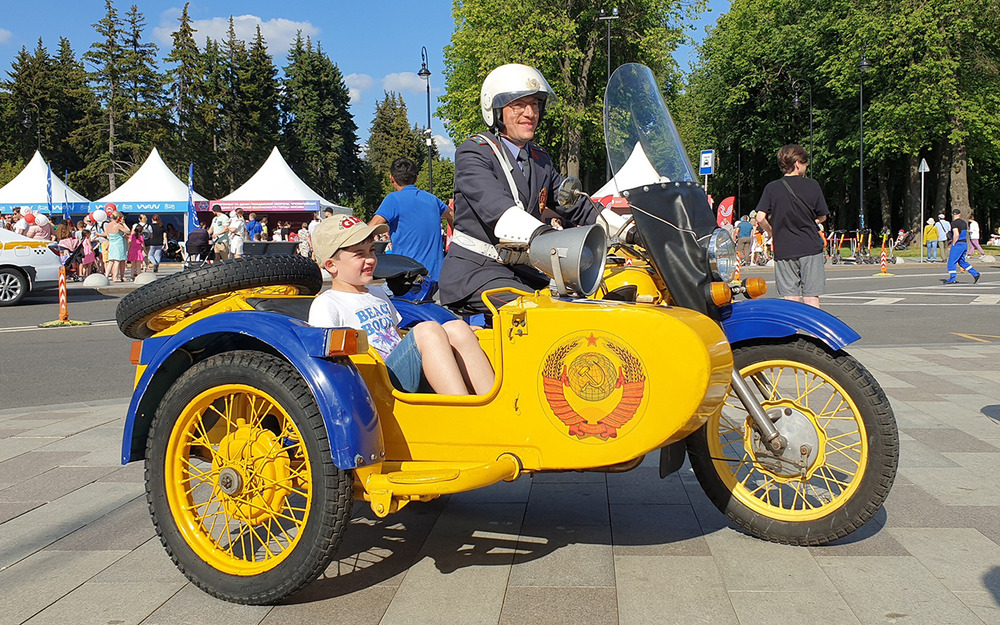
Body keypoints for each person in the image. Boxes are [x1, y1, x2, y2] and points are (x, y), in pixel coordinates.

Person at [439, 63, 622, 315]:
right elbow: (498, 210)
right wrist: (548, 237)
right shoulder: (474, 152)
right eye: (519, 105)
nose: (530, 113)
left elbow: (576, 204)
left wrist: (630, 230)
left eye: (535, 104)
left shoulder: (539, 159)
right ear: (495, 110)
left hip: (523, 271)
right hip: (477, 272)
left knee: (600, 302)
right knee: (548, 315)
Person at [308, 216, 494, 395]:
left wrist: (449, 336)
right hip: (375, 384)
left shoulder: (377, 294)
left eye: (371, 250)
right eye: (359, 254)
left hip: (401, 372)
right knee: (427, 330)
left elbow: (396, 336)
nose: (371, 259)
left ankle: (493, 402)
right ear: (331, 265)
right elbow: (326, 363)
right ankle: (461, 407)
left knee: (457, 327)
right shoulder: (327, 303)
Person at [754, 144, 829, 308]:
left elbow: (760, 217)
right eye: (805, 162)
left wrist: (771, 231)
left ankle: (793, 325)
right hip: (810, 246)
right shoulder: (812, 185)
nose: (806, 165)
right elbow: (822, 216)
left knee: (790, 297)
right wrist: (813, 222)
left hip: (784, 247)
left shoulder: (772, 188)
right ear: (797, 164)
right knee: (811, 296)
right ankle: (812, 326)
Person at [369, 158, 453, 283]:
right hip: (436, 276)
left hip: (407, 276)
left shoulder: (393, 199)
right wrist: (454, 241)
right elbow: (451, 214)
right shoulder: (432, 199)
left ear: (391, 178)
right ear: (416, 178)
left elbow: (371, 227)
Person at [944, 209, 980, 284]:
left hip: (958, 244)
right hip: (964, 243)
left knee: (951, 261)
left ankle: (952, 278)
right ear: (960, 214)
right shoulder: (964, 223)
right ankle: (975, 273)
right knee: (961, 261)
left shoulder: (954, 223)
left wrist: (953, 243)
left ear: (952, 214)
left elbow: (956, 234)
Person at [105, 212, 129, 282]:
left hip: (112, 243)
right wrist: (124, 223)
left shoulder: (109, 225)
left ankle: (107, 276)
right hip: (118, 244)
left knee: (111, 260)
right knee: (117, 261)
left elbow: (107, 233)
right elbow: (128, 231)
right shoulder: (118, 225)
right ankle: (115, 277)